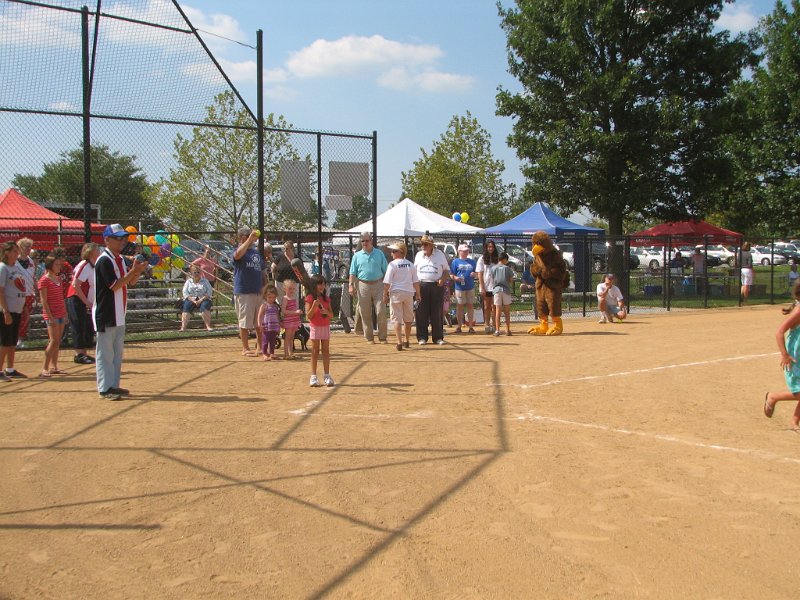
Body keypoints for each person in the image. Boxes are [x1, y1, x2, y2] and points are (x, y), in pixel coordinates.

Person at [93, 224, 148, 400]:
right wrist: (133, 271)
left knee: (116, 354)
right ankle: (105, 388)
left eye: (123, 238)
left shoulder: (118, 260)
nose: (122, 242)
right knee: (105, 353)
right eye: (118, 238)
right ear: (107, 240)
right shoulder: (104, 261)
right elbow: (115, 285)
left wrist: (137, 272)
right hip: (106, 313)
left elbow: (130, 282)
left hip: (119, 312)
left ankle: (113, 385)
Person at [763, 280, 800, 428]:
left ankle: (794, 423)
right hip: (795, 358)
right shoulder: (799, 311)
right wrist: (784, 355)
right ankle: (773, 397)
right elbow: (779, 332)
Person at [348, 232, 388, 344]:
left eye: (367, 240)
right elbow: (352, 272)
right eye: (362, 241)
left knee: (381, 311)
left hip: (379, 284)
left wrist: (387, 287)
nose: (365, 243)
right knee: (365, 312)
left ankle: (383, 337)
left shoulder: (379, 254)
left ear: (371, 241)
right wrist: (351, 285)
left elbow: (386, 271)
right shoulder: (356, 256)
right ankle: (369, 337)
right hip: (363, 285)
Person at [67, 243, 101, 364]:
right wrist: (86, 302)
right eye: (97, 250)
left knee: (83, 326)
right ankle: (79, 354)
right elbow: (76, 285)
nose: (99, 252)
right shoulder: (85, 265)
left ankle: (83, 353)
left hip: (83, 299)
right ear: (91, 252)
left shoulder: (93, 266)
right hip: (76, 298)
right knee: (78, 325)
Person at [383, 242, 420, 351]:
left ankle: (399, 342)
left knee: (396, 318)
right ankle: (407, 340)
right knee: (408, 318)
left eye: (394, 251)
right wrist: (418, 294)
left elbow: (387, 282)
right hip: (409, 293)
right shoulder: (410, 264)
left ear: (401, 252)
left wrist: (385, 294)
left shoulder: (392, 264)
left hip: (396, 293)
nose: (392, 253)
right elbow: (416, 282)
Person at [232, 227, 264, 356]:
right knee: (245, 321)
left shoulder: (256, 253)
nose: (253, 239)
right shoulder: (239, 250)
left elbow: (262, 271)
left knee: (259, 321)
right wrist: (249, 240)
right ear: (242, 238)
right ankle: (245, 348)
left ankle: (260, 347)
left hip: (258, 291)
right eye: (248, 236)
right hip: (244, 291)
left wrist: (265, 287)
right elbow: (237, 255)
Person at [414, 233, 450, 345]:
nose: (423, 246)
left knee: (437, 313)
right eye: (422, 244)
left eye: (425, 244)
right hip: (421, 286)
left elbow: (446, 270)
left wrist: (442, 279)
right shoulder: (418, 255)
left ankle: (438, 337)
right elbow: (414, 271)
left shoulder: (440, 255)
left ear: (431, 245)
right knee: (421, 312)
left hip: (436, 286)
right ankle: (422, 337)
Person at [0, 241, 28, 381]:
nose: (17, 253)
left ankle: (10, 369)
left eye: (17, 251)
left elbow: (20, 287)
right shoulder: (3, 268)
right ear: (6, 252)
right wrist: (5, 311)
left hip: (17, 309)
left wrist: (24, 306)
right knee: (5, 342)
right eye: (14, 251)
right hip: (7, 310)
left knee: (12, 341)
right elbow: (0, 291)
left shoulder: (15, 268)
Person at [38, 254, 68, 377]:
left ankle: (54, 366)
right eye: (56, 264)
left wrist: (65, 313)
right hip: (52, 315)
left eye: (59, 264)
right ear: (50, 266)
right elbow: (44, 301)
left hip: (60, 313)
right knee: (53, 340)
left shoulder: (58, 279)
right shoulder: (44, 280)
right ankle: (44, 368)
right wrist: (50, 317)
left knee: (57, 341)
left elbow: (61, 297)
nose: (59, 266)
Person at [305, 274, 334, 387]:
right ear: (314, 285)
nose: (322, 286)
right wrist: (314, 306)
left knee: (326, 351)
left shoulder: (326, 299)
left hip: (325, 327)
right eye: (319, 284)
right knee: (315, 351)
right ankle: (313, 376)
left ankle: (327, 375)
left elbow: (331, 315)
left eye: (323, 284)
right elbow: (308, 316)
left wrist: (326, 312)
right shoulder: (310, 298)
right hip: (315, 327)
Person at [14, 237, 36, 349]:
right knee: (19, 316)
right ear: (20, 248)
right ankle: (15, 338)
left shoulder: (31, 261)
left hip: (29, 293)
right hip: (17, 293)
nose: (28, 249)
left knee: (26, 317)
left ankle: (20, 338)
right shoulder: (15, 261)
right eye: (26, 247)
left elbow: (33, 277)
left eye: (29, 247)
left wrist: (35, 291)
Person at [450, 244, 477, 334]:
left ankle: (471, 326)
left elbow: (477, 273)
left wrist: (475, 274)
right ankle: (459, 326)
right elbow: (451, 274)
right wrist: (456, 278)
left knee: (470, 306)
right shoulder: (455, 262)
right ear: (459, 251)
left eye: (467, 251)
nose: (466, 252)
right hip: (459, 287)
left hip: (470, 287)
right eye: (464, 251)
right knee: (460, 306)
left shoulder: (472, 262)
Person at [180, 266, 214, 332]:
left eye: (198, 272)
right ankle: (183, 327)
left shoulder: (205, 281)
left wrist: (201, 300)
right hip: (191, 298)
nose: (197, 274)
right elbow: (185, 292)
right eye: (195, 272)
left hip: (203, 298)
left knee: (205, 306)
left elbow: (209, 292)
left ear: (201, 273)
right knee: (186, 306)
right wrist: (192, 300)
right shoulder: (188, 281)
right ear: (191, 273)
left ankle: (208, 326)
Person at [476, 240, 500, 334]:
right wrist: (482, 287)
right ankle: (487, 324)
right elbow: (480, 274)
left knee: (494, 306)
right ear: (486, 248)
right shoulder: (481, 259)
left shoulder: (497, 259)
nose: (491, 248)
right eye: (489, 247)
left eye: (492, 247)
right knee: (486, 306)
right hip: (486, 286)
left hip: (495, 286)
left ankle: (494, 324)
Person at [491, 252, 514, 336]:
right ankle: (507, 330)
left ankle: (497, 330)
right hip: (506, 290)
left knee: (498, 311)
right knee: (507, 311)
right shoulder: (508, 268)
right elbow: (511, 280)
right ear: (504, 259)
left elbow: (492, 279)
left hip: (497, 290)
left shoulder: (493, 268)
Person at [280, 279, 303, 360]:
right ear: (284, 289)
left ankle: (291, 353)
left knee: (292, 338)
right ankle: (286, 354)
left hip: (294, 320)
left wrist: (298, 312)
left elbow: (294, 309)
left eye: (293, 288)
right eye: (290, 288)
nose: (292, 290)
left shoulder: (294, 298)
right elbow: (283, 311)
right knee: (287, 338)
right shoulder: (285, 298)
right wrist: (295, 312)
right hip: (289, 321)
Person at [257, 283, 281, 361]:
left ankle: (272, 353)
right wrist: (259, 324)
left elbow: (277, 316)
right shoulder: (264, 305)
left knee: (273, 341)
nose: (271, 299)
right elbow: (260, 315)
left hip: (274, 327)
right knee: (265, 340)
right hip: (266, 327)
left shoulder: (276, 306)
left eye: (273, 297)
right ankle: (264, 353)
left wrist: (278, 325)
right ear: (265, 296)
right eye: (269, 297)